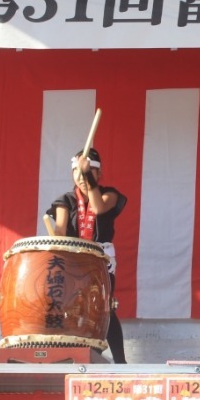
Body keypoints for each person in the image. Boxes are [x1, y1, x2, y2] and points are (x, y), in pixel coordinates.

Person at [47, 148, 128, 363]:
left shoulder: (110, 194)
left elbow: (99, 208)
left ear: (98, 174)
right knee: (75, 306)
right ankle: (89, 355)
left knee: (104, 306)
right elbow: (61, 231)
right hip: (74, 257)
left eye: (89, 171)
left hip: (102, 257)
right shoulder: (65, 200)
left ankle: (120, 361)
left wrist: (88, 178)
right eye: (78, 172)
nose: (82, 177)